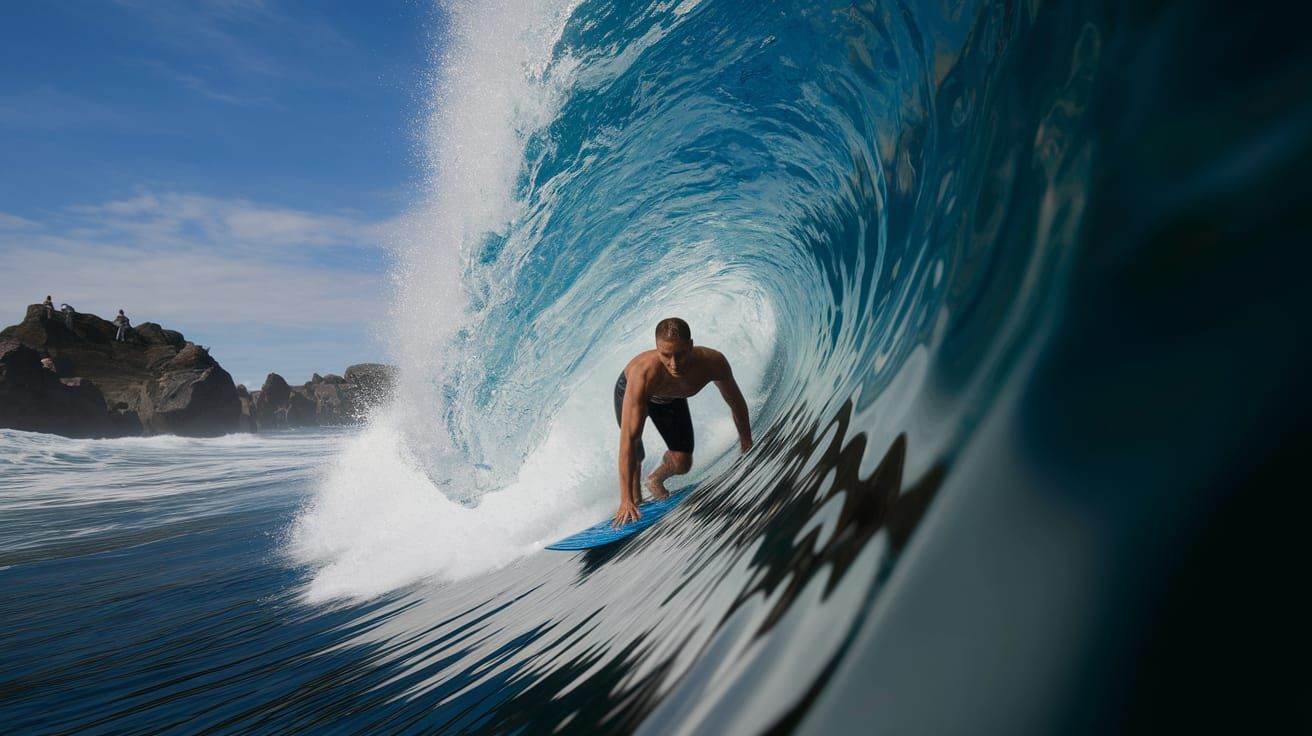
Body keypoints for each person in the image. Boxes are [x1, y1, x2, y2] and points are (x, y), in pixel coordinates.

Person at [613, 317, 753, 526]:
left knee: (682, 463)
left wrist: (746, 441)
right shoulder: (643, 374)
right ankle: (633, 504)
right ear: (657, 348)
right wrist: (625, 500)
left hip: (669, 398)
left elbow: (735, 402)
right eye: (666, 355)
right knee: (636, 452)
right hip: (631, 391)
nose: (673, 363)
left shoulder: (713, 362)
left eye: (679, 354)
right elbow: (628, 440)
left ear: (690, 345)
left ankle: (655, 479)